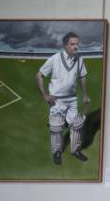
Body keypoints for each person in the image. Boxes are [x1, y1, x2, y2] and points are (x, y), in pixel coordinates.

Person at [35, 32, 90, 165]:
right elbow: (39, 75)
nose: (75, 47)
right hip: (56, 100)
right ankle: (57, 152)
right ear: (65, 45)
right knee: (56, 128)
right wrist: (45, 95)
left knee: (76, 125)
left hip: (72, 99)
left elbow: (82, 76)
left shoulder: (79, 59)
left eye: (77, 44)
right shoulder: (55, 59)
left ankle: (75, 150)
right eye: (72, 44)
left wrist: (85, 94)